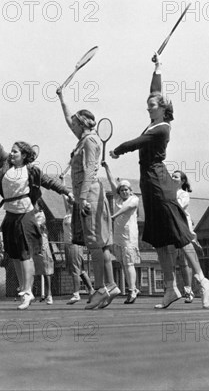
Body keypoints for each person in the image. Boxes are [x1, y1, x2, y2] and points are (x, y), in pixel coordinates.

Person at [110, 54, 209, 309]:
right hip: (148, 184)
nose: (148, 107)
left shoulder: (163, 128)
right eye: (148, 105)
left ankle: (201, 280)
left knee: (180, 235)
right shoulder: (153, 122)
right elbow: (155, 91)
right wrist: (157, 68)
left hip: (159, 181)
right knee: (161, 241)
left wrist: (118, 149)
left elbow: (136, 143)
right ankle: (170, 288)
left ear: (163, 107)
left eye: (152, 105)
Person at [0, 116, 71, 310]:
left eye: (15, 151)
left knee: (25, 254)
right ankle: (23, 287)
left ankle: (28, 292)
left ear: (24, 155)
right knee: (14, 255)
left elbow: (51, 183)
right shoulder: (6, 164)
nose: (12, 153)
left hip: (26, 215)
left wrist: (67, 192)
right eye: (12, 151)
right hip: (10, 216)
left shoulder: (32, 171)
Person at [56, 88, 119, 310]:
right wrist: (61, 97)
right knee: (99, 245)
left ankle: (101, 288)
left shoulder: (90, 141)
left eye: (74, 124)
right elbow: (67, 118)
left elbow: (92, 168)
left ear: (81, 124)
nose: (70, 126)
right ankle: (111, 286)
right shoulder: (84, 139)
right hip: (89, 193)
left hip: (89, 194)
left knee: (94, 244)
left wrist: (81, 199)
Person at [102, 160, 141, 304]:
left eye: (126, 189)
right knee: (124, 264)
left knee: (129, 264)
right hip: (118, 237)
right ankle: (133, 288)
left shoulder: (134, 199)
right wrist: (107, 168)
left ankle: (132, 290)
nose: (124, 191)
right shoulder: (118, 198)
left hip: (129, 237)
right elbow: (112, 182)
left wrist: (113, 216)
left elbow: (125, 209)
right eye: (122, 189)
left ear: (130, 190)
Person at [61, 191, 95, 305]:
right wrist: (62, 182)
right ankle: (91, 291)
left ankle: (76, 294)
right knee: (81, 270)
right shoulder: (67, 212)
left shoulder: (77, 214)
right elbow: (63, 196)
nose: (69, 201)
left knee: (76, 270)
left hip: (74, 244)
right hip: (67, 244)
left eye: (71, 200)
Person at [172, 170, 196, 304]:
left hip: (181, 228)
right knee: (170, 261)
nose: (173, 178)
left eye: (176, 176)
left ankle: (188, 290)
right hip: (169, 228)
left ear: (182, 181)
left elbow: (178, 207)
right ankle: (172, 290)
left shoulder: (184, 194)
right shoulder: (167, 192)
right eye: (172, 176)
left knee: (184, 262)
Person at [33, 203, 56, 304]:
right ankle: (30, 294)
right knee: (33, 270)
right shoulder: (29, 215)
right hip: (33, 244)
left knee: (47, 270)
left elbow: (36, 228)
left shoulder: (41, 215)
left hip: (42, 243)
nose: (33, 206)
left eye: (35, 204)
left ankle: (49, 294)